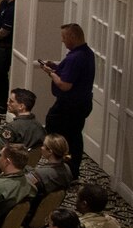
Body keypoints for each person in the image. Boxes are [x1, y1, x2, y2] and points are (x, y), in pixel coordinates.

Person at [37, 22, 95, 176]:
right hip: (82, 103)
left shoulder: (76, 57)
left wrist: (51, 73)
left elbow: (65, 85)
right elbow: (71, 74)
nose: (62, 41)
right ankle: (71, 169)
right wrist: (57, 68)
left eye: (63, 37)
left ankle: (62, 167)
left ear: (72, 37)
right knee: (75, 135)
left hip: (70, 105)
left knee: (63, 135)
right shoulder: (87, 53)